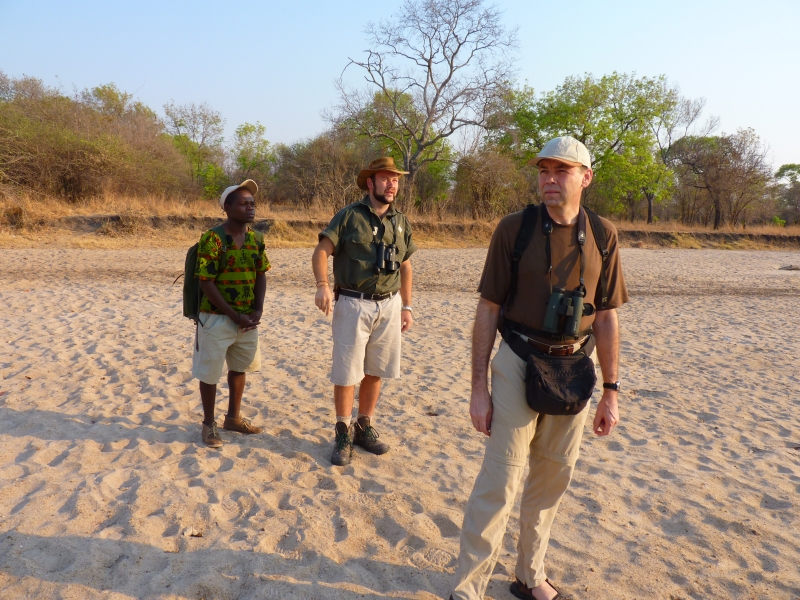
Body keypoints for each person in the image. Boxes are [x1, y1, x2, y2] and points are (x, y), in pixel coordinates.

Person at [449, 136, 629, 600]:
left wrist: (611, 390)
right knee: (501, 478)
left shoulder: (603, 234)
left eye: (561, 170)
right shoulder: (515, 229)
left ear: (586, 178)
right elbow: (488, 309)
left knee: (552, 477)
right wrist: (478, 389)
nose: (549, 179)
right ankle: (468, 588)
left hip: (575, 368)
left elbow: (606, 316)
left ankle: (529, 576)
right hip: (518, 359)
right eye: (544, 171)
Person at [312, 157, 417, 466]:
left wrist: (407, 306)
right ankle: (343, 432)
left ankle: (363, 426)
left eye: (395, 179)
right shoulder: (349, 216)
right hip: (353, 303)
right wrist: (322, 285)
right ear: (370, 183)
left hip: (389, 304)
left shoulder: (401, 221)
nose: (391, 184)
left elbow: (406, 266)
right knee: (346, 373)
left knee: (376, 370)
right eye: (385, 179)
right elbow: (321, 251)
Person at [192, 180, 270, 448]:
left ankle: (233, 419)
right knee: (210, 373)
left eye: (252, 203)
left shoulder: (256, 239)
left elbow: (261, 274)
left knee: (239, 368)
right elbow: (205, 281)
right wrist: (233, 316)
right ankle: (209, 424)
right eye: (243, 203)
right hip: (216, 318)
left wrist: (258, 309)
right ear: (226, 207)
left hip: (247, 318)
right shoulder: (213, 238)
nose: (250, 208)